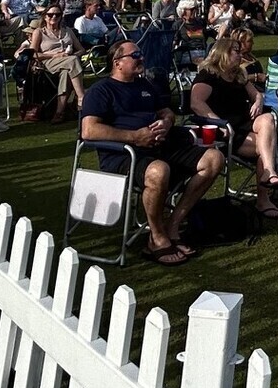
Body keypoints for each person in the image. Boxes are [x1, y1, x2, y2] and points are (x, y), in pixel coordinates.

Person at [80, 40, 226, 265]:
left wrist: (166, 123)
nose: (141, 58)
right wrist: (135, 136)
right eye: (135, 55)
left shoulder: (145, 85)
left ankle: (173, 225)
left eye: (141, 53)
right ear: (117, 62)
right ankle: (156, 238)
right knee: (159, 171)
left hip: (160, 146)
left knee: (214, 158)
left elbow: (166, 111)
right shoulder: (101, 90)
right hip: (124, 155)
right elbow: (89, 130)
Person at [189, 37, 278, 219]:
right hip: (225, 129)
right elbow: (196, 103)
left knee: (267, 118)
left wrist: (258, 101)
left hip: (245, 122)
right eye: (236, 51)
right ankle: (263, 199)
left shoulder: (238, 74)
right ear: (223, 53)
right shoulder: (209, 75)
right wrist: (219, 121)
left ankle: (269, 172)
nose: (240, 54)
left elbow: (257, 94)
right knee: (265, 146)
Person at [22, 7, 85, 122]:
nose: (54, 17)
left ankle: (59, 113)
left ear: (61, 16)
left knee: (67, 72)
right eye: (51, 15)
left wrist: (73, 54)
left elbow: (81, 50)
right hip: (47, 63)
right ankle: (81, 97)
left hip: (67, 62)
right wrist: (54, 55)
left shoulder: (68, 31)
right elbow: (32, 54)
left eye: (57, 14)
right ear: (45, 17)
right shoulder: (39, 32)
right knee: (72, 62)